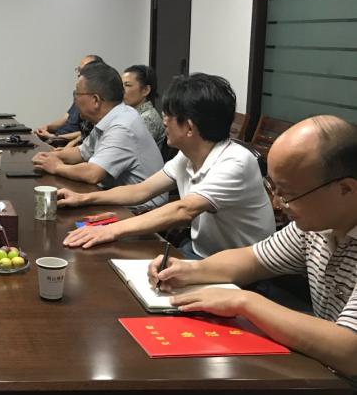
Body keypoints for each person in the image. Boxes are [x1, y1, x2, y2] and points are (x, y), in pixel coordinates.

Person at [148, 115, 357, 395]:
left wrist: (244, 300)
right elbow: (252, 259)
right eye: (273, 189)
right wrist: (188, 270)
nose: (278, 204)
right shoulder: (320, 224)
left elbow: (349, 349)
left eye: (288, 194)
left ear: (345, 188)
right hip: (330, 379)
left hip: (347, 393)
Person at [58, 73, 275, 258]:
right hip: (202, 252)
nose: (164, 121)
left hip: (241, 267)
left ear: (189, 128)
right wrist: (84, 198)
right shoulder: (188, 155)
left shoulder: (235, 162)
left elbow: (184, 210)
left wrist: (110, 231)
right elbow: (141, 190)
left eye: (169, 115)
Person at [32, 63, 166, 207]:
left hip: (142, 209)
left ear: (95, 100)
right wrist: (51, 156)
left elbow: (92, 174)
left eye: (77, 94)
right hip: (116, 197)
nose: (74, 100)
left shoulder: (122, 126)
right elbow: (82, 152)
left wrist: (57, 167)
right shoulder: (111, 116)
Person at [34, 54, 102, 146]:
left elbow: (87, 132)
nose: (79, 74)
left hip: (63, 141)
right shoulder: (79, 94)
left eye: (82, 70)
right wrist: (47, 127)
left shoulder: (96, 100)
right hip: (59, 138)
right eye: (78, 69)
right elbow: (66, 119)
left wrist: (54, 137)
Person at [122, 64, 165, 148]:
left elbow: (126, 150)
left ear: (145, 90)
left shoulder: (148, 119)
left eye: (127, 85)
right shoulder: (131, 114)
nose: (121, 90)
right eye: (121, 85)